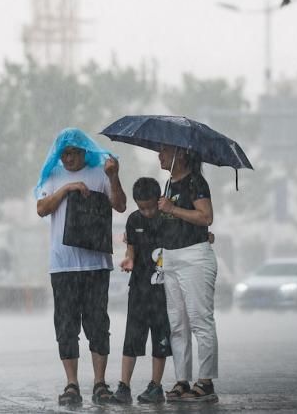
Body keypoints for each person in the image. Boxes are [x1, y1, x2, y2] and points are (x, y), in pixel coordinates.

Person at [35, 128, 127, 406]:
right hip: (62, 266)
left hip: (95, 264)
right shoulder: (53, 176)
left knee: (98, 324)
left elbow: (120, 205)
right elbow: (41, 208)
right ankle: (71, 384)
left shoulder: (101, 173)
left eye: (73, 153)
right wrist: (66, 189)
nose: (67, 159)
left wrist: (114, 175)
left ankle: (100, 383)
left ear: (84, 151)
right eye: (63, 154)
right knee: (66, 325)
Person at [156, 144, 219, 403]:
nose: (159, 155)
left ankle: (205, 382)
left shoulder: (195, 182)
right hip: (171, 257)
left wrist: (173, 210)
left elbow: (206, 217)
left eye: (164, 151)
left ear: (180, 155)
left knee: (199, 320)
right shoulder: (169, 183)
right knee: (177, 324)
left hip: (194, 258)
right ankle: (182, 380)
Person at [113, 177, 172, 404]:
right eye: (141, 207)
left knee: (161, 338)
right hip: (138, 288)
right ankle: (124, 386)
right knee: (132, 337)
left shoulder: (168, 219)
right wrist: (129, 260)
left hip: (163, 290)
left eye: (150, 206)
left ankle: (156, 386)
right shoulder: (133, 220)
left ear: (159, 200)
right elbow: (131, 249)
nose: (146, 212)